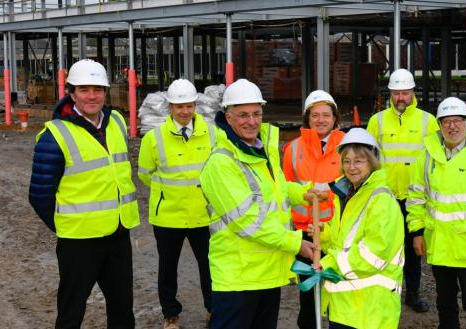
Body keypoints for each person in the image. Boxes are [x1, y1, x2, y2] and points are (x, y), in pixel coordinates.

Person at [199, 79, 320, 329]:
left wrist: (303, 192)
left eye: (256, 114)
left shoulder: (259, 149)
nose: (251, 121)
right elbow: (249, 221)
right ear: (228, 117)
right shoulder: (222, 163)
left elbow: (274, 190)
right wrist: (295, 242)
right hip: (238, 277)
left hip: (266, 271)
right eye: (243, 115)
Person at [28, 59, 139, 329]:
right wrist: (66, 224)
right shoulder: (54, 135)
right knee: (71, 311)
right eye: (84, 89)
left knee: (123, 309)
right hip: (79, 241)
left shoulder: (117, 123)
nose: (92, 96)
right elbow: (39, 194)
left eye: (98, 89)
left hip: (118, 233)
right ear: (72, 93)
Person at [407, 97, 466, 329]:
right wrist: (417, 232)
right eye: (446, 121)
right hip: (439, 242)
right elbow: (415, 196)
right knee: (445, 302)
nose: (452, 126)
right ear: (439, 125)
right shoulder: (426, 155)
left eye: (458, 120)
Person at [137, 78, 221, 329]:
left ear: (195, 105)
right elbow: (145, 173)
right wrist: (168, 193)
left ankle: (213, 309)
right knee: (167, 268)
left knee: (210, 266)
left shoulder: (212, 132)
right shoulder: (154, 137)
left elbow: (219, 168)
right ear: (170, 107)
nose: (185, 111)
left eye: (189, 106)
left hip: (203, 214)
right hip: (168, 216)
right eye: (179, 106)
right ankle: (170, 315)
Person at [314, 128, 404, 329]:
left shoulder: (381, 200)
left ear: (372, 162)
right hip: (346, 304)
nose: (351, 167)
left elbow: (373, 254)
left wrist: (329, 263)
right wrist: (325, 234)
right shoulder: (348, 195)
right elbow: (345, 241)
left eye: (359, 161)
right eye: (346, 161)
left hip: (369, 308)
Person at [366, 68, 438, 312]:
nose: (400, 98)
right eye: (396, 93)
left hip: (415, 196)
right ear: (390, 94)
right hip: (386, 196)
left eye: (405, 93)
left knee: (414, 248)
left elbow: (437, 157)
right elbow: (368, 156)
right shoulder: (377, 121)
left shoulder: (428, 121)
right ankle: (387, 290)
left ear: (412, 93)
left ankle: (413, 294)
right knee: (385, 246)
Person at [281, 89, 345, 329]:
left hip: (336, 231)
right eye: (315, 115)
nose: (320, 120)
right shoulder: (293, 149)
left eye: (326, 115)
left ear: (335, 118)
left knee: (338, 289)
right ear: (307, 118)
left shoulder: (346, 146)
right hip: (304, 232)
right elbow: (285, 189)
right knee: (308, 294)